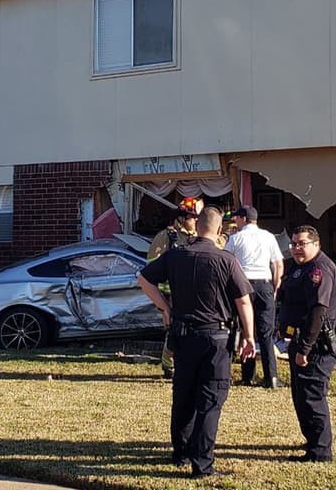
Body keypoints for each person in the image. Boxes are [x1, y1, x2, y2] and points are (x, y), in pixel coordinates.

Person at [138, 205, 255, 478]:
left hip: (182, 333)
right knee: (211, 400)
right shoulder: (225, 260)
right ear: (217, 230)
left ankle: (180, 453)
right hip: (215, 337)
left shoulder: (175, 256)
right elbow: (243, 300)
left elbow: (143, 278)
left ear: (197, 226)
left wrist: (165, 307)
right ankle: (202, 465)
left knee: (184, 395)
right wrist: (249, 336)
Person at [279, 225, 336, 462]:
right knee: (301, 395)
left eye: (301, 244)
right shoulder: (299, 266)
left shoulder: (319, 270)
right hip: (299, 341)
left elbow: (318, 312)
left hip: (317, 346)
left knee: (312, 397)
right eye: (293, 244)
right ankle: (312, 441)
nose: (296, 248)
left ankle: (321, 452)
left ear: (316, 244)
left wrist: (304, 348)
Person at [226, 205, 284, 388]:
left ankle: (247, 375)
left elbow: (226, 262)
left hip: (243, 285)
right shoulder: (268, 237)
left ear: (243, 218)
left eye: (237, 218)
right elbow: (278, 265)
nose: (235, 221)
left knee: (243, 329)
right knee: (266, 333)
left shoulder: (235, 238)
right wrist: (274, 287)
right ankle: (271, 377)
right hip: (264, 284)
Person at [146, 196, 202, 379]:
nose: (197, 221)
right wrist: (162, 302)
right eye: (195, 218)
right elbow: (152, 267)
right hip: (170, 294)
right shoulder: (166, 236)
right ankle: (168, 365)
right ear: (183, 217)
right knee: (174, 330)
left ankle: (187, 362)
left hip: (192, 291)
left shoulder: (199, 237)